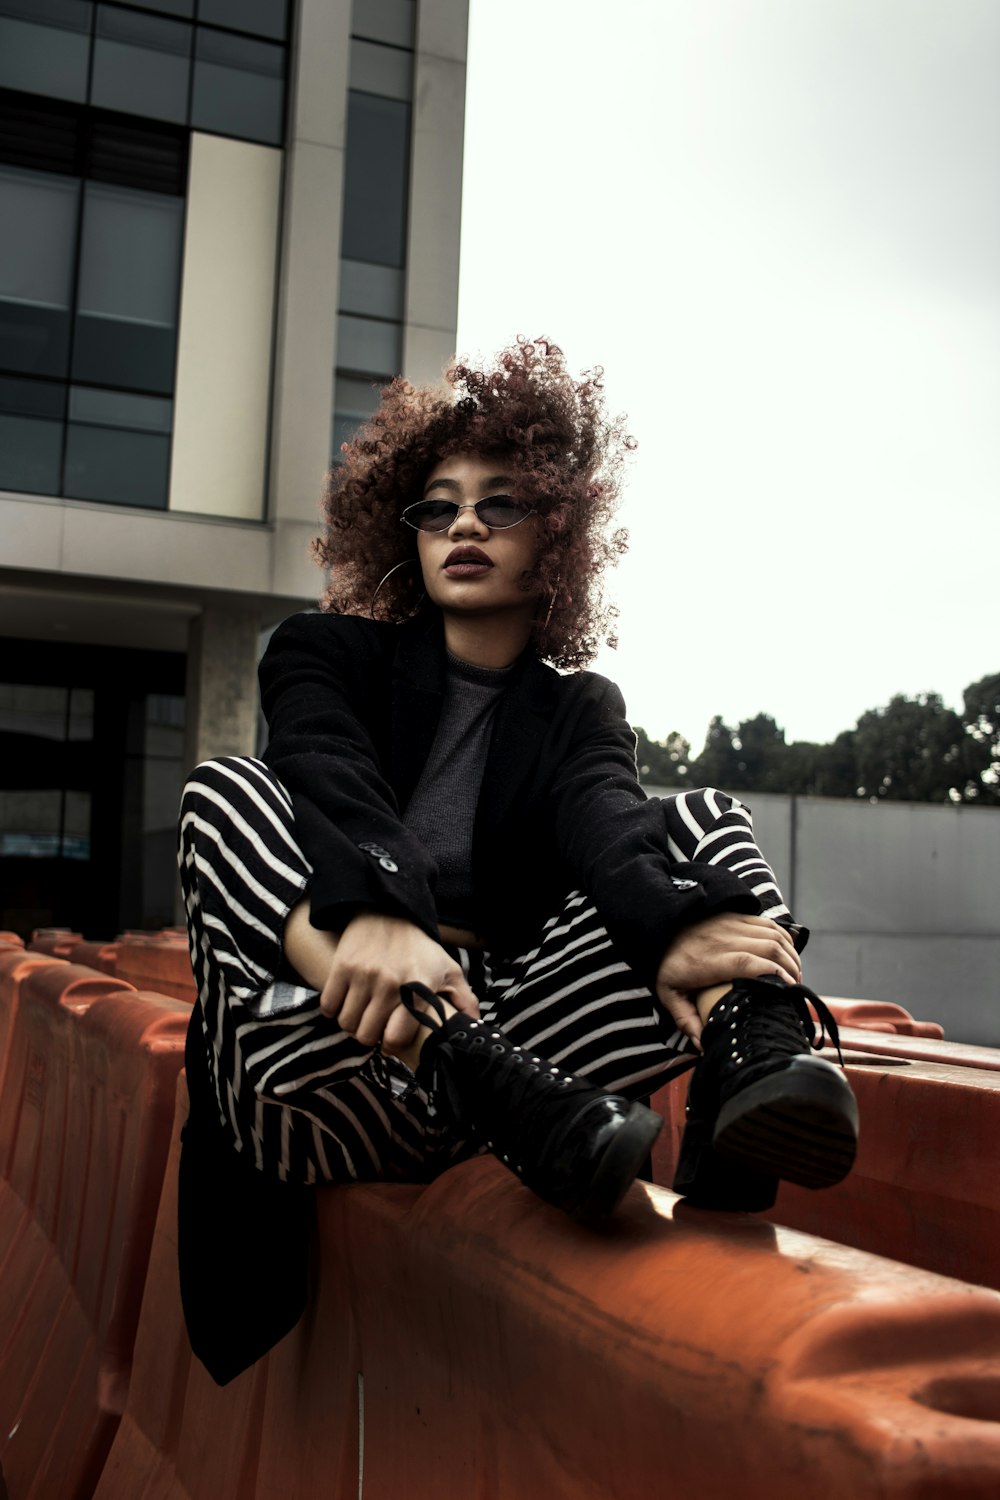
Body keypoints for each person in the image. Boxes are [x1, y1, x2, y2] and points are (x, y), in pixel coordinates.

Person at [176, 337, 857, 1385]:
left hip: (536, 1089)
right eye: (437, 506)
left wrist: (673, 926)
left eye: (498, 504)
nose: (462, 526)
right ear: (402, 531)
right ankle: (470, 1064)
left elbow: (606, 820)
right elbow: (321, 772)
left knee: (701, 819)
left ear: (556, 534)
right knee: (227, 794)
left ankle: (749, 1056)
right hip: (315, 1076)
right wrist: (386, 915)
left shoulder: (577, 707)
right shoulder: (327, 655)